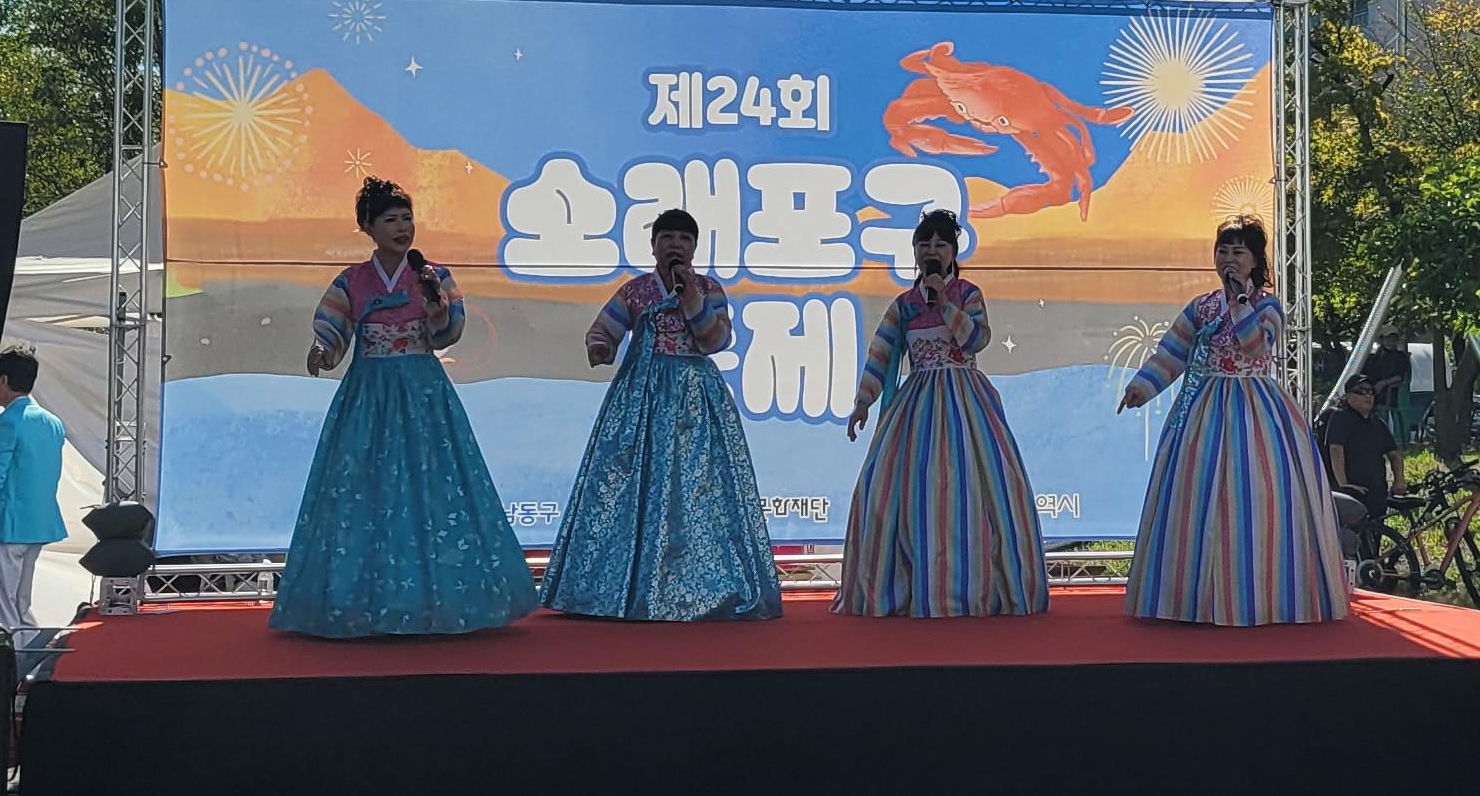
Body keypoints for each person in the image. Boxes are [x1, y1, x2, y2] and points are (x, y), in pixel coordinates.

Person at [271, 178, 535, 639]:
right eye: (390, 220)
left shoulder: (434, 275)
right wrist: (322, 350)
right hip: (369, 393)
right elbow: (333, 325)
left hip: (422, 392)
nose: (402, 228)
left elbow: (448, 333)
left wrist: (437, 308)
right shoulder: (352, 280)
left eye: (407, 218)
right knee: (363, 487)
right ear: (368, 228)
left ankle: (440, 599)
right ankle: (365, 601)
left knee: (434, 483)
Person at [542, 206, 782, 622]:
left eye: (684, 239)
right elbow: (604, 329)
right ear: (653, 245)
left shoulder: (708, 289)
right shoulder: (635, 291)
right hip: (642, 398)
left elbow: (716, 340)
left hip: (695, 401)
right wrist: (601, 347)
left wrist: (690, 297)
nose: (675, 245)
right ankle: (626, 589)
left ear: (695, 247)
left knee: (697, 488)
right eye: (667, 237)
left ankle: (698, 589)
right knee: (635, 486)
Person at [1117, 213, 1350, 628]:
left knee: (1258, 495)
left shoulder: (1268, 306)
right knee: (1194, 496)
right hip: (1204, 409)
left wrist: (1240, 303)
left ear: (1256, 260)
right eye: (1222, 250)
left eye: (1238, 252)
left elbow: (1256, 346)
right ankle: (1190, 598)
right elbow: (1172, 352)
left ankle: (1263, 594)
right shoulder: (1201, 307)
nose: (1228, 258)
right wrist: (1143, 386)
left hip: (1257, 410)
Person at [837, 209, 1049, 619]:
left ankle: (974, 586)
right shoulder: (904, 305)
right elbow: (881, 352)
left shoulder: (968, 294)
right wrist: (864, 400)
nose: (931, 251)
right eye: (924, 244)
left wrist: (945, 303)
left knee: (973, 488)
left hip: (966, 401)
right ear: (915, 251)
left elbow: (976, 339)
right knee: (897, 491)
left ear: (953, 252)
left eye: (940, 244)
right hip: (916, 403)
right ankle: (907, 585)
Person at [0, 349, 68, 673]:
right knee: (20, 607)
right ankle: (33, 668)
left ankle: (6, 675)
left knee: (0, 613)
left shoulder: (6, 423)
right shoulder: (52, 423)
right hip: (37, 524)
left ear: (3, 380)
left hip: (4, 526)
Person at [1312, 371, 1395, 570]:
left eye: (1371, 391)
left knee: (1374, 536)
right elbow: (1335, 449)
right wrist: (1344, 483)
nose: (1368, 395)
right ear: (1349, 395)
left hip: (1376, 489)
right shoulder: (1340, 418)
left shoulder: (1377, 423)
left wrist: (1399, 479)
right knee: (1351, 539)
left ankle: (1371, 571)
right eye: (1362, 391)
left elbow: (1394, 452)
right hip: (1351, 492)